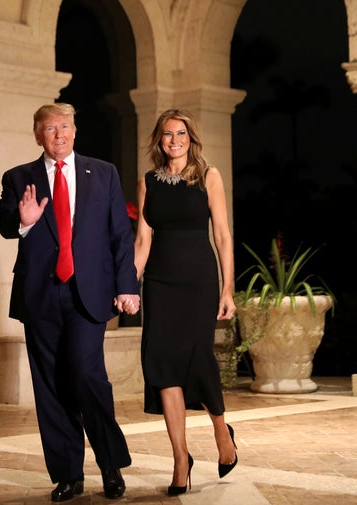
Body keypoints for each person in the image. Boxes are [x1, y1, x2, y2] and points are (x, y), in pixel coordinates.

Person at [0, 102, 141, 502]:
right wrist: (23, 221)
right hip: (39, 295)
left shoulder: (104, 174)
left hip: (88, 293)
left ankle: (110, 466)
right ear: (37, 134)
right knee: (50, 386)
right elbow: (4, 224)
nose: (58, 134)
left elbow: (120, 236)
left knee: (86, 374)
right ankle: (68, 475)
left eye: (64, 127)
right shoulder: (18, 177)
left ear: (75, 131)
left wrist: (127, 285)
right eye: (49, 129)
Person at [134, 109, 238, 496]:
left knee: (199, 359)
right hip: (160, 284)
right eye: (167, 134)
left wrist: (227, 289)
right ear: (159, 140)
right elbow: (142, 242)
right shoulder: (148, 183)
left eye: (181, 133)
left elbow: (224, 235)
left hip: (198, 282)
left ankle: (220, 430)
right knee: (161, 364)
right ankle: (180, 458)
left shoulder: (208, 177)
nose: (174, 140)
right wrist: (131, 285)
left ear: (191, 138)